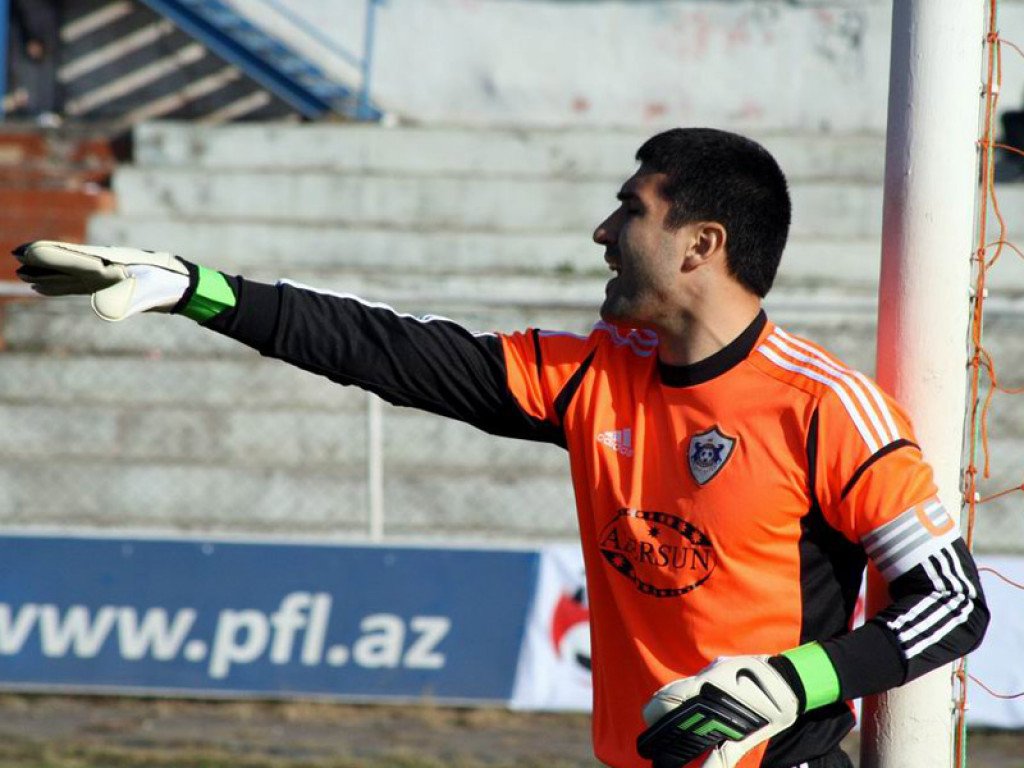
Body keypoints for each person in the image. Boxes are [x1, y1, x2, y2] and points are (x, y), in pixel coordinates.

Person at [13, 128, 989, 768]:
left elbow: (953, 605)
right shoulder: (590, 375)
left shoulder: (825, 408)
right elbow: (385, 349)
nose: (602, 231)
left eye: (630, 210)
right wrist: (195, 289)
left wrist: (784, 683)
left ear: (701, 244)